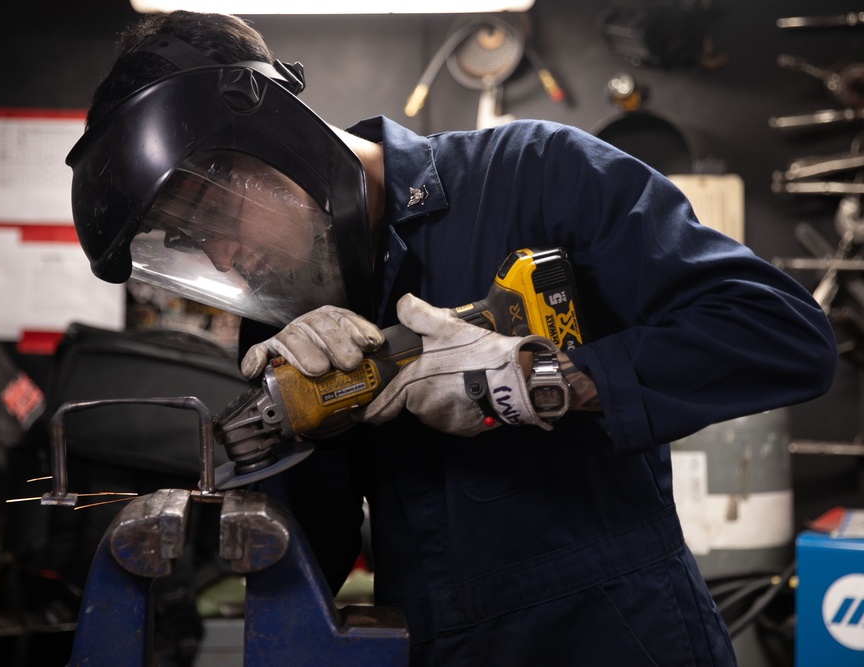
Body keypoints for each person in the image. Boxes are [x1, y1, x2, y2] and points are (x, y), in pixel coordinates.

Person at [66, 11, 838, 666]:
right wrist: (289, 437)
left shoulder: (538, 173)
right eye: (190, 246)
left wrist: (548, 380)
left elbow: (784, 333)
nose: (224, 257)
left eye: (214, 214)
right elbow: (313, 557)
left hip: (624, 636)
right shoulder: (289, 313)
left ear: (272, 134)